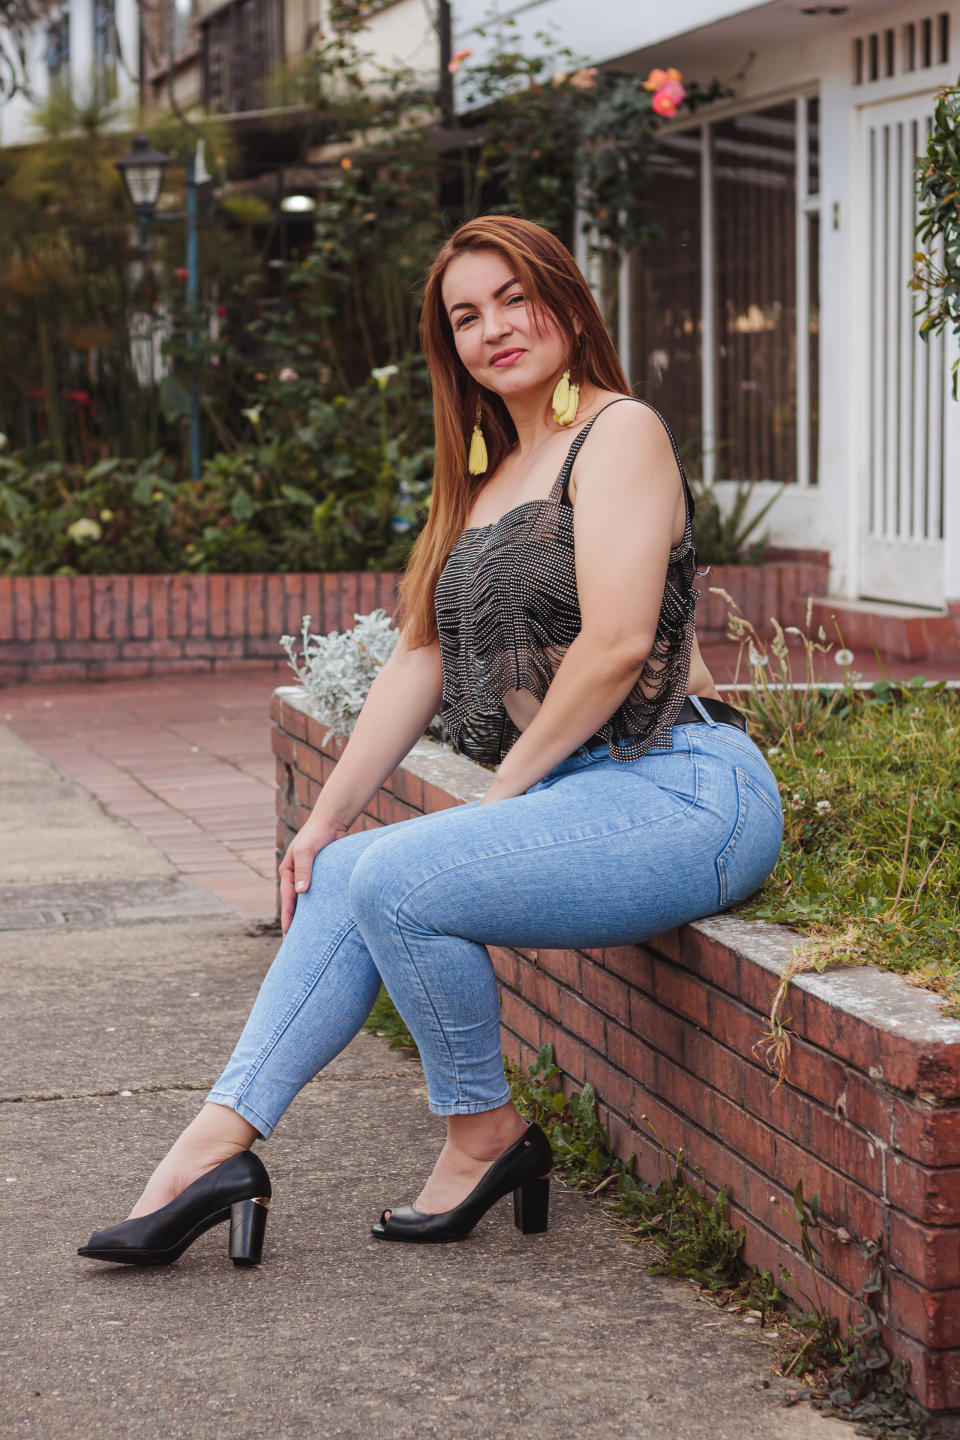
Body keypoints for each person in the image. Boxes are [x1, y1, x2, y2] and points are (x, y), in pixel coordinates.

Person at [78, 215, 783, 1266]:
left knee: (401, 880)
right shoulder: (484, 475)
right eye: (466, 315)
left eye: (514, 297)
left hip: (684, 785)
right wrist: (319, 824)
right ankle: (208, 1154)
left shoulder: (619, 431)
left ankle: (483, 1132)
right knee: (343, 872)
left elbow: (618, 644)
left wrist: (503, 798)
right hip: (589, 792)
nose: (494, 327)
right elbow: (419, 658)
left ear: (565, 301)